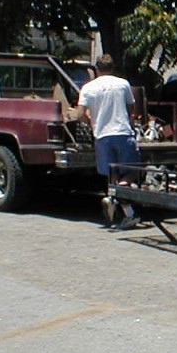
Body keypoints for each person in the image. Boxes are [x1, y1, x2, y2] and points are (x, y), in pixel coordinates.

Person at [77, 54, 143, 230]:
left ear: (97, 69)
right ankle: (118, 194)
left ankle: (124, 210)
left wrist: (91, 121)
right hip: (122, 132)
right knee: (133, 170)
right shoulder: (122, 84)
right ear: (113, 68)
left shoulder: (88, 87)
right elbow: (131, 109)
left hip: (102, 136)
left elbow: (80, 114)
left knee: (111, 173)